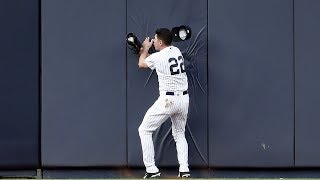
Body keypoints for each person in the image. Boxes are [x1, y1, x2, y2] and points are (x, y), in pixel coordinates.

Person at [137, 28, 190, 179]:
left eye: (155, 39)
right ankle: (184, 169)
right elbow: (158, 57)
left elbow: (141, 64)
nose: (153, 41)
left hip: (168, 100)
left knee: (144, 130)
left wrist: (145, 49)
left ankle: (151, 169)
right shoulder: (177, 50)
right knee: (180, 134)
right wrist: (147, 51)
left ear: (160, 42)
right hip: (184, 100)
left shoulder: (158, 57)